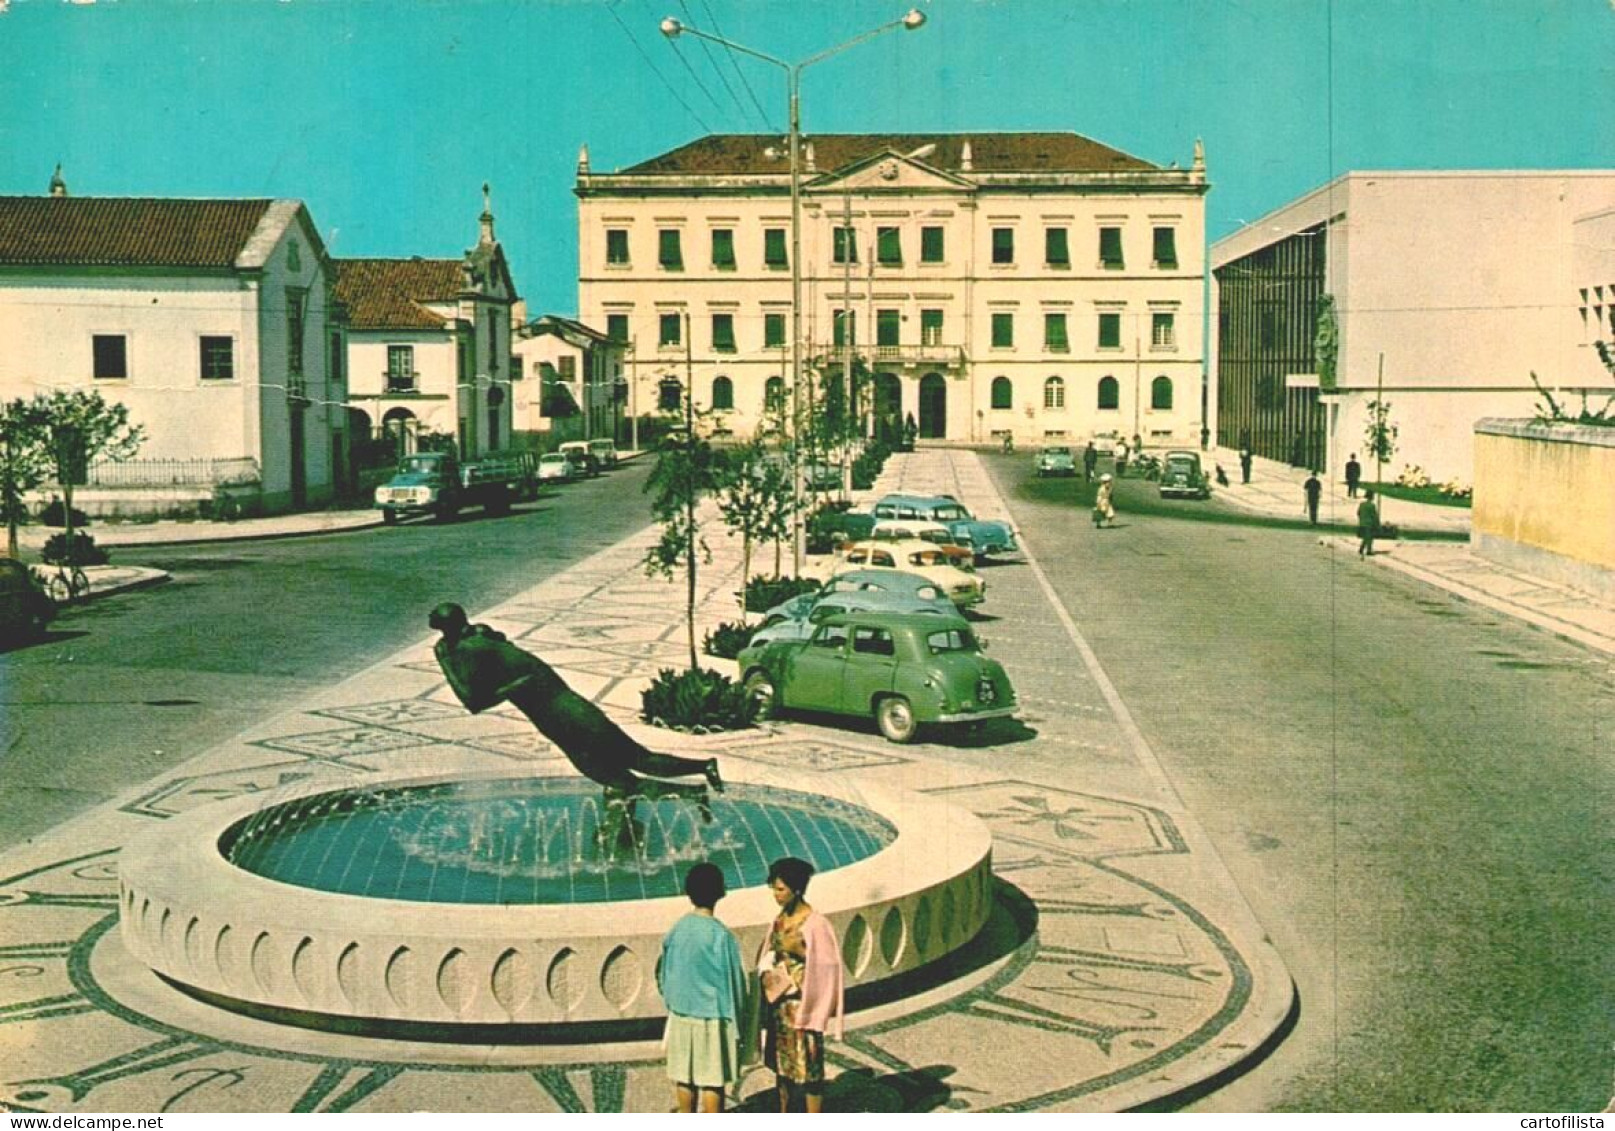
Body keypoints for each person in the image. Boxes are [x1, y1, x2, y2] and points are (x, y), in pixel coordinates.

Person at [429, 603, 722, 803]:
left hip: (569, 717)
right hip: (563, 719)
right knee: (626, 775)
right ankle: (695, 789)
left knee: (631, 767)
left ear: (447, 631)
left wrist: (444, 661)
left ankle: (700, 775)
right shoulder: (481, 638)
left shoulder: (472, 648)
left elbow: (472, 702)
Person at [659, 863, 749, 1114]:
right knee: (712, 1079)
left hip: (682, 1012)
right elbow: (734, 983)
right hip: (713, 1016)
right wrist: (738, 1018)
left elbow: (666, 969)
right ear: (720, 892)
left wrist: (671, 1001)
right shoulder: (721, 935)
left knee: (684, 1075)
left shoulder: (679, 928)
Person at [758, 857, 843, 1114]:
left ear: (796, 889)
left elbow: (829, 965)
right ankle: (784, 1111)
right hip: (781, 1004)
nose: (775, 894)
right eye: (773, 888)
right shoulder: (780, 919)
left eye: (780, 889)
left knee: (810, 1065)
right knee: (783, 1064)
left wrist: (801, 952)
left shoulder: (815, 923)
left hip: (802, 1005)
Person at [1357, 490, 1380, 557]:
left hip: (1362, 523)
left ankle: (1361, 549)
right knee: (1369, 537)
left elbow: (1358, 513)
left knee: (1366, 537)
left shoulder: (1362, 504)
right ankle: (1368, 550)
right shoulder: (1372, 505)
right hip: (1369, 523)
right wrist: (1377, 524)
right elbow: (1374, 516)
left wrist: (1362, 519)